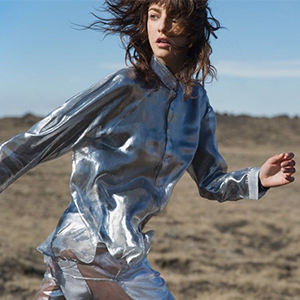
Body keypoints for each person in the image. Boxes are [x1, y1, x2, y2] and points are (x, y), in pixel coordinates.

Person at [0, 0, 296, 299]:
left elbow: (210, 182)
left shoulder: (196, 103)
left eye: (174, 17)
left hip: (119, 252)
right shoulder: (124, 86)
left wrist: (257, 178)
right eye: (154, 16)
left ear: (193, 31)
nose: (162, 26)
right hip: (89, 248)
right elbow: (41, 139)